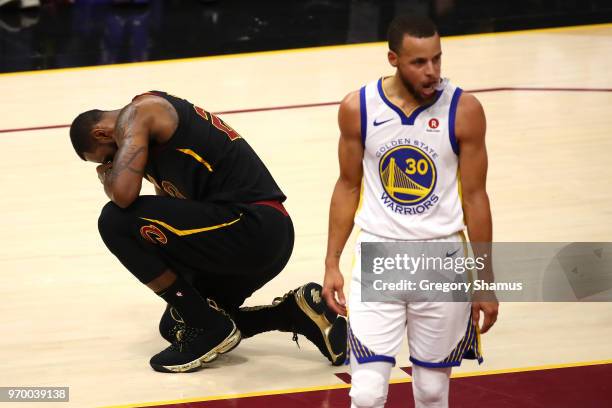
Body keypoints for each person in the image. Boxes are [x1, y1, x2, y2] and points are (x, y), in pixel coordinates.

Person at [69, 90, 347, 373]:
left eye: (108, 159)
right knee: (177, 323)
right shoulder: (153, 152)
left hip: (252, 225)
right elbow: (169, 220)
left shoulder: (142, 112)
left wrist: (107, 179)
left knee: (114, 220)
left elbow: (123, 195)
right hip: (249, 237)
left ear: (103, 134)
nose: (112, 165)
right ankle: (292, 314)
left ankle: (210, 326)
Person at [322, 15, 499, 408]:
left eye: (437, 59)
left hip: (442, 256)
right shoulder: (358, 107)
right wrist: (332, 262)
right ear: (393, 59)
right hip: (380, 254)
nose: (432, 71)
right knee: (366, 395)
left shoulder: (465, 109)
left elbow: (476, 198)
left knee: (433, 393)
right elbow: (347, 185)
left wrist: (485, 279)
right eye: (419, 62)